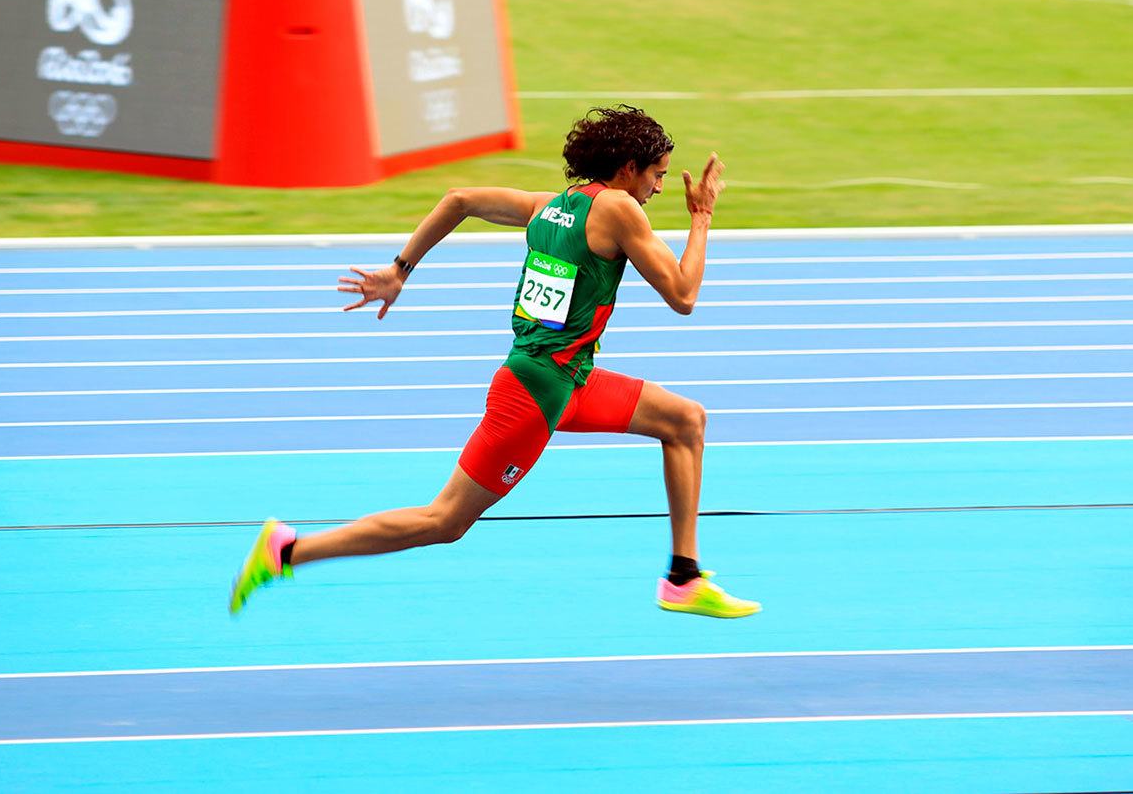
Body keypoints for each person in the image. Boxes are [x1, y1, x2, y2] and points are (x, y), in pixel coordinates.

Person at [229, 105, 760, 619]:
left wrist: (400, 269)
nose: (660, 188)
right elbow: (684, 295)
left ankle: (684, 578)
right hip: (536, 391)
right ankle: (287, 551)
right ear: (627, 169)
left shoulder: (550, 205)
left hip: (569, 380)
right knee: (444, 521)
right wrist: (702, 217)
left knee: (684, 420)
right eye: (657, 175)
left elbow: (459, 199)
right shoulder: (620, 209)